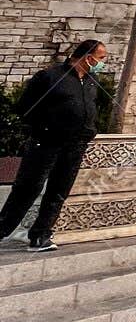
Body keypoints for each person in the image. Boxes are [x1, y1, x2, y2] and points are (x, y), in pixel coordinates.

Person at [0, 38, 107, 253]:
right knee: (28, 188)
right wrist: (46, 128)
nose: (102, 62)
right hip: (46, 142)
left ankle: (40, 235)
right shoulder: (50, 77)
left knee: (59, 191)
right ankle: (2, 230)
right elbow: (25, 107)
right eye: (101, 58)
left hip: (75, 145)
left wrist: (90, 130)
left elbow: (90, 108)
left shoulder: (91, 81)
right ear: (87, 57)